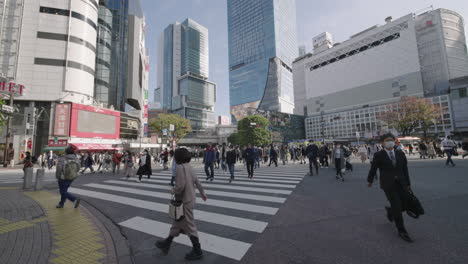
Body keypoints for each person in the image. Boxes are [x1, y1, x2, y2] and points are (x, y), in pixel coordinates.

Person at [155, 148, 208, 260]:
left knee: (189, 225)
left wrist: (172, 190)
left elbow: (180, 186)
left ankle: (198, 251)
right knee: (177, 223)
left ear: (178, 157)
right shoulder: (189, 166)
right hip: (190, 199)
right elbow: (197, 181)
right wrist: (202, 193)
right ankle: (167, 243)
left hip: (184, 201)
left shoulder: (179, 167)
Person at [368, 133, 413, 243]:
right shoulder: (379, 155)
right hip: (388, 184)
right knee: (397, 205)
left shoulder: (400, 153)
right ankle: (401, 230)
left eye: (391, 140)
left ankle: (390, 211)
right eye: (387, 140)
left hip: (401, 183)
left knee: (403, 203)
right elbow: (373, 168)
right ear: (382, 143)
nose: (390, 142)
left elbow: (404, 169)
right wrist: (370, 180)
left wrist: (408, 183)